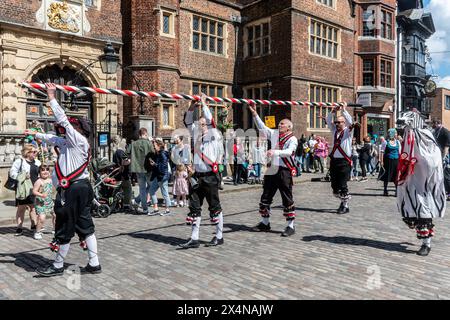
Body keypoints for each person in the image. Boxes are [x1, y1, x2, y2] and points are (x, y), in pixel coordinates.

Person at [28, 83, 100, 277]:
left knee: (65, 226)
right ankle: (94, 263)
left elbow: (63, 121)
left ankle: (58, 266)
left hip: (73, 190)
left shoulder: (78, 140)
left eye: (68, 129)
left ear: (78, 130)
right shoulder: (69, 143)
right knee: (85, 225)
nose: (62, 131)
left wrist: (51, 97)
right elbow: (52, 139)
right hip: (81, 188)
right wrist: (35, 134)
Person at [397, 111, 446, 256]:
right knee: (410, 210)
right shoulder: (408, 135)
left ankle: (426, 244)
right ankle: (416, 227)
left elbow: (434, 159)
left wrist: (419, 163)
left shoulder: (426, 135)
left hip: (425, 183)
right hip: (411, 180)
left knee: (424, 212)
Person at [179, 93, 225, 248]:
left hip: (211, 177)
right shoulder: (196, 135)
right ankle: (194, 238)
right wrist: (192, 105)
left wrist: (204, 103)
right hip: (197, 176)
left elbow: (210, 120)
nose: (201, 126)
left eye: (203, 124)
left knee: (214, 206)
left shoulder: (215, 134)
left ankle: (219, 236)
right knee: (194, 206)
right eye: (200, 124)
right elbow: (187, 120)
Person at [248, 104, 299, 237]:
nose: (279, 125)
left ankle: (290, 226)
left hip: (284, 171)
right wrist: (254, 113)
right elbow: (262, 127)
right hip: (272, 170)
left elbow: (289, 152)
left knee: (287, 198)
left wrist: (275, 152)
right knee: (265, 197)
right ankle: (265, 223)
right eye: (280, 124)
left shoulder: (292, 139)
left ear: (289, 127)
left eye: (282, 124)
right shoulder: (275, 134)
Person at [326, 105, 353, 214]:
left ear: (344, 123)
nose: (337, 124)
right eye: (336, 122)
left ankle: (345, 205)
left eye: (340, 122)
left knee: (343, 185)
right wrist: (332, 112)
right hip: (334, 161)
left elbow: (351, 122)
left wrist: (343, 110)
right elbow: (328, 121)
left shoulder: (348, 132)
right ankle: (343, 201)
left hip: (344, 162)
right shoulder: (334, 131)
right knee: (334, 187)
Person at [9, 144, 41, 236]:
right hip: (23, 188)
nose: (36, 153)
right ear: (28, 152)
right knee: (21, 208)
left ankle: (33, 225)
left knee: (33, 208)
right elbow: (12, 172)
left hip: (34, 188)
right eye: (34, 152)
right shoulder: (20, 161)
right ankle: (19, 227)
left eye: (36, 152)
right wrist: (22, 176)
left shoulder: (38, 162)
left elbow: (40, 174)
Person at [129, 128, 155, 214]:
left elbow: (126, 153)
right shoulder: (148, 143)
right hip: (147, 169)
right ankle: (142, 205)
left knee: (142, 188)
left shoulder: (133, 144)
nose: (147, 136)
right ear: (144, 134)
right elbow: (153, 153)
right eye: (146, 134)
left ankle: (142, 206)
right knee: (152, 186)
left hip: (138, 169)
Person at [148, 139, 172, 215]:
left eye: (154, 145)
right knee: (151, 190)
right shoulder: (158, 153)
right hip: (157, 176)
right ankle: (156, 209)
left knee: (164, 193)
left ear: (159, 146)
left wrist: (154, 164)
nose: (153, 147)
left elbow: (163, 167)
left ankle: (167, 210)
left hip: (162, 176)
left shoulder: (163, 154)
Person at [32, 164, 55, 239]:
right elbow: (34, 191)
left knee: (55, 215)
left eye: (47, 170)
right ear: (39, 172)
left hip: (49, 202)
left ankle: (55, 229)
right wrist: (41, 195)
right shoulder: (39, 181)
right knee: (42, 218)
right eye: (43, 170)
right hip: (40, 203)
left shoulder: (50, 180)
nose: (45, 172)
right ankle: (38, 232)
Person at [431, 119, 450, 199]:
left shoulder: (445, 132)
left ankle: (449, 192)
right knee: (439, 174)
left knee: (446, 175)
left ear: (438, 123)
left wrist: (443, 158)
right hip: (437, 155)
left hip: (445, 156)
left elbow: (447, 146)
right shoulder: (435, 131)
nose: (433, 126)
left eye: (434, 124)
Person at [112, 138, 132, 211]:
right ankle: (126, 205)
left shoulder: (115, 152)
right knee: (127, 189)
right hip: (123, 174)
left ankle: (117, 204)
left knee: (117, 190)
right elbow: (125, 161)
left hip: (118, 174)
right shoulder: (120, 152)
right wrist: (131, 160)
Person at [380, 128, 400, 196]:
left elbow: (399, 152)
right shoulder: (385, 142)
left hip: (396, 161)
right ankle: (385, 190)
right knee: (387, 176)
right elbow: (382, 152)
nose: (396, 134)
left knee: (396, 176)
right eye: (395, 133)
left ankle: (397, 190)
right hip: (388, 161)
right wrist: (381, 161)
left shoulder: (398, 142)